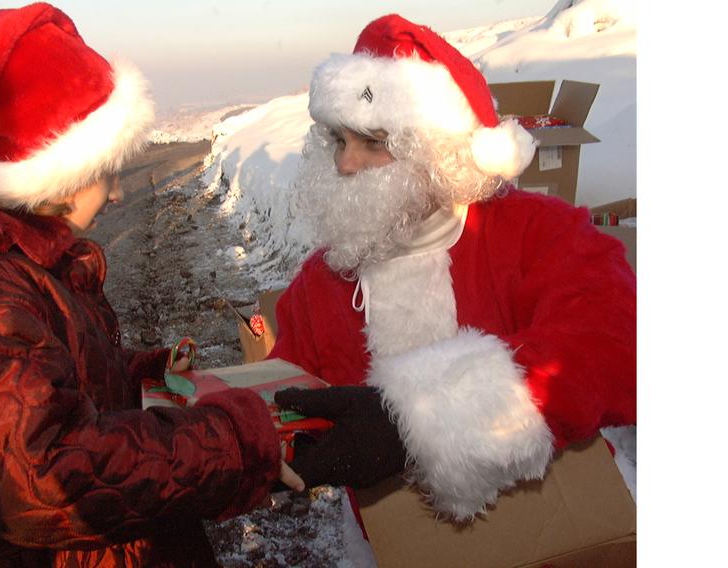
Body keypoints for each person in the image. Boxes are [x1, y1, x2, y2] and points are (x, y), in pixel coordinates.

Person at [0, 4, 301, 566]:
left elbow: (45, 381)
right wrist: (232, 446)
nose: (118, 195)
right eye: (108, 173)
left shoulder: (23, 267)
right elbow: (44, 473)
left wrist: (139, 374)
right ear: (57, 175)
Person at [270, 13, 636, 522]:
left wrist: (413, 423)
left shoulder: (536, 231)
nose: (345, 165)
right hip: (396, 544)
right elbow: (286, 388)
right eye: (338, 140)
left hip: (554, 526)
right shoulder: (322, 279)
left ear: (435, 151)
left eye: (374, 142)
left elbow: (614, 340)